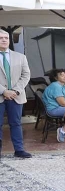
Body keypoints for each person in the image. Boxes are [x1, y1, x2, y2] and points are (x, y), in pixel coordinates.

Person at [0, 29, 31, 159]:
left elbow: (26, 75)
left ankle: (19, 150)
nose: (4, 40)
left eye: (6, 38)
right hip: (0, 95)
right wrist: (3, 91)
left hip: (16, 96)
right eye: (1, 38)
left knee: (16, 123)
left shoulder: (20, 57)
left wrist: (15, 90)